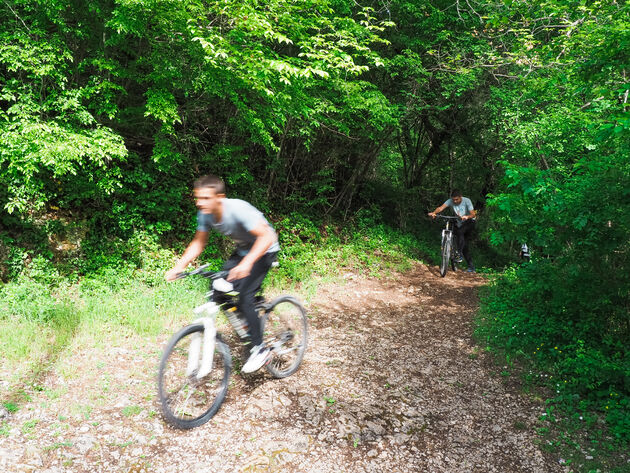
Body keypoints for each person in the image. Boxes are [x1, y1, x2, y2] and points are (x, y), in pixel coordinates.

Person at [165, 175, 280, 373]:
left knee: (245, 297)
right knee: (217, 288)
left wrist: (247, 263)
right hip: (244, 250)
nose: (200, 203)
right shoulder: (205, 213)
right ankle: (247, 325)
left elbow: (267, 236)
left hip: (265, 249)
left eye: (206, 198)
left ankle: (260, 349)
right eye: (197, 198)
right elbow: (199, 242)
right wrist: (179, 265)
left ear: (220, 197)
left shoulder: (237, 210)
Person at [428, 190, 477, 272]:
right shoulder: (450, 201)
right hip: (459, 222)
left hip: (469, 221)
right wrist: (434, 213)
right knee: (462, 243)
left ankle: (459, 254)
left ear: (460, 197)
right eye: (453, 199)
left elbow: (473, 214)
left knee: (461, 234)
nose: (455, 201)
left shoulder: (467, 201)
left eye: (457, 199)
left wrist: (467, 217)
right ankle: (469, 265)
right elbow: (441, 208)